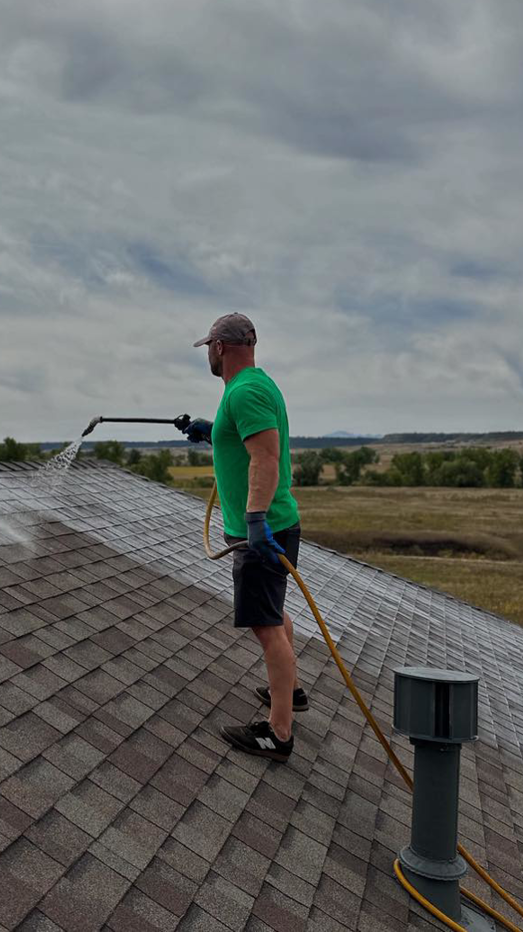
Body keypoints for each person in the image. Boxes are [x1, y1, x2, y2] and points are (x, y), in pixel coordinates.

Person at [183, 313, 305, 762]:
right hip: (273, 524)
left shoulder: (246, 392)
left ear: (218, 347)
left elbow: (266, 457)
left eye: (209, 349)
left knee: (265, 624)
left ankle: (278, 733)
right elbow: (247, 443)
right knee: (274, 614)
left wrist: (254, 518)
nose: (209, 357)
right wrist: (212, 431)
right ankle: (289, 691)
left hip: (264, 530)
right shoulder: (255, 386)